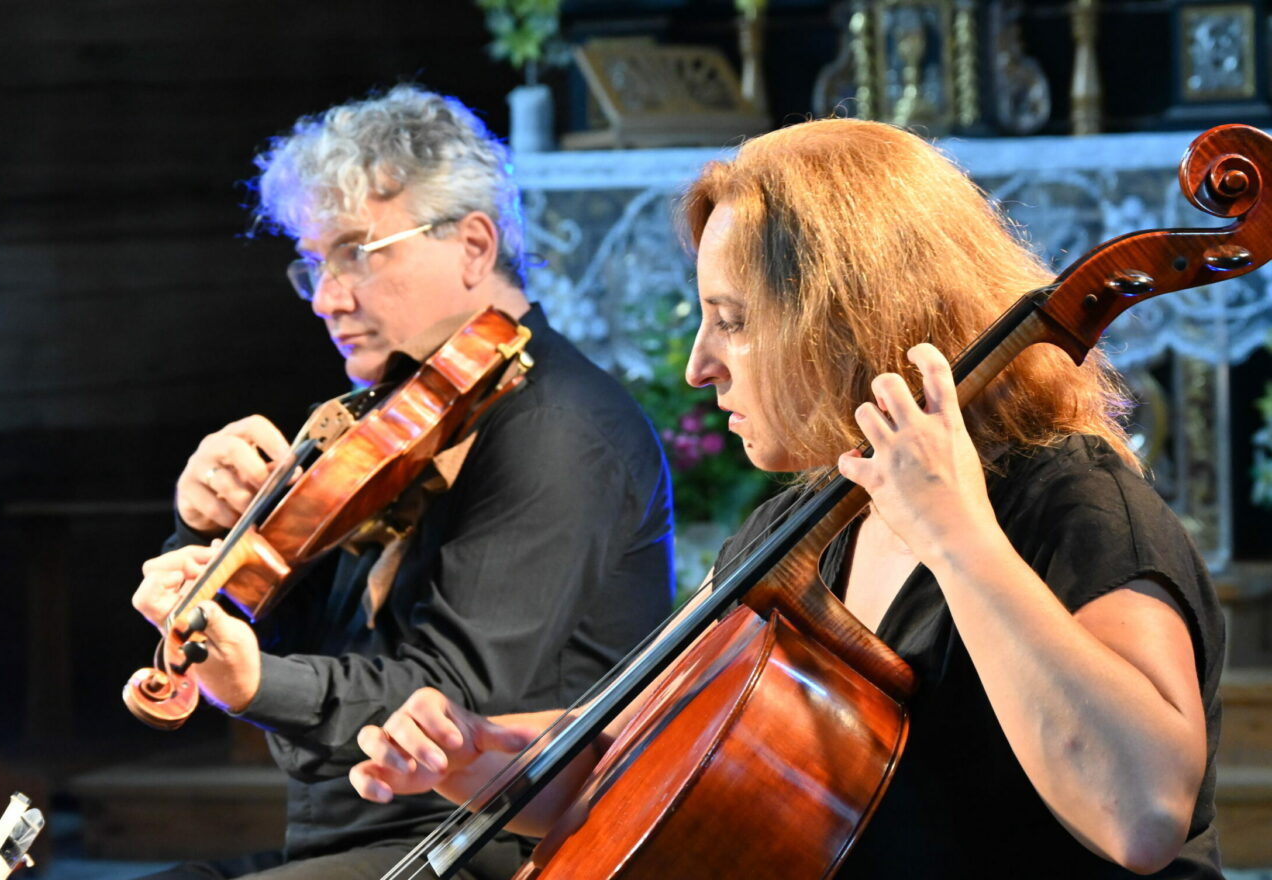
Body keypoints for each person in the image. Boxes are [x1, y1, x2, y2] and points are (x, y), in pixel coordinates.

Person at [349, 116, 1225, 879]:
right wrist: (481, 755)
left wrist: (957, 536)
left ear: (850, 317)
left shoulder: (1074, 504)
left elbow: (1143, 814)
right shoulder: (800, 527)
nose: (699, 366)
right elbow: (638, 756)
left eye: (732, 321)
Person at [129, 84, 674, 880]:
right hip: (362, 846)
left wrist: (257, 683)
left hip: (492, 852)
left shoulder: (559, 426)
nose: (326, 299)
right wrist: (205, 533)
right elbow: (297, 631)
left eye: (357, 252)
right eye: (315, 263)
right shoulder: (393, 419)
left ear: (474, 245)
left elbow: (454, 706)